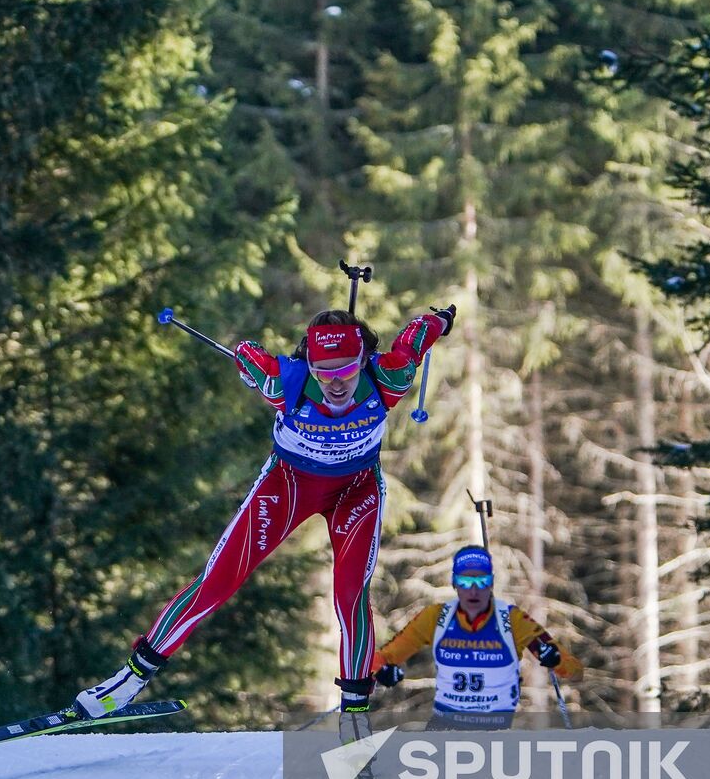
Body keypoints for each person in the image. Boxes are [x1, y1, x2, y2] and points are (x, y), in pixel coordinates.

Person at [72, 304, 456, 743]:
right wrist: (246, 359)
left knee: (351, 595)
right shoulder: (286, 382)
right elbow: (249, 353)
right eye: (322, 369)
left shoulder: (388, 377)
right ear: (308, 363)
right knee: (217, 580)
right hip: (288, 485)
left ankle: (355, 718)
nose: (334, 382)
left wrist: (440, 319)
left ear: (363, 360)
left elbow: (415, 339)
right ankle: (127, 682)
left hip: (356, 490)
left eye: (346, 370)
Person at [371, 545, 582, 730]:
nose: (473, 590)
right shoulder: (437, 618)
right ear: (454, 583)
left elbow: (575, 671)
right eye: (465, 581)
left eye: (482, 581)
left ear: (491, 584)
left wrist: (556, 661)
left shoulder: (511, 620)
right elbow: (382, 658)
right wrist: (381, 671)